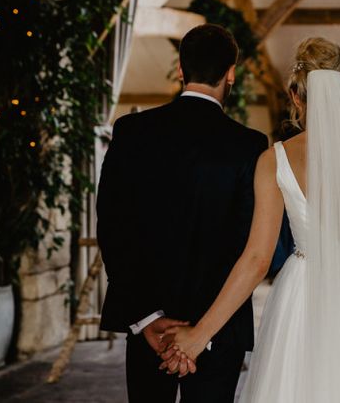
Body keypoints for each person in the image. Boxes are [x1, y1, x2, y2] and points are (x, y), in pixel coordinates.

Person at [161, 37, 340, 402]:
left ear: (296, 97)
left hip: (305, 301)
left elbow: (256, 260)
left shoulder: (275, 159)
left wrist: (198, 335)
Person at [96, 24, 268, 403]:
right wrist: (201, 333)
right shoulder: (249, 146)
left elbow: (112, 227)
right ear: (231, 73)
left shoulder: (132, 131)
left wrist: (147, 320)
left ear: (180, 69)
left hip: (149, 329)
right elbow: (247, 244)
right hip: (218, 329)